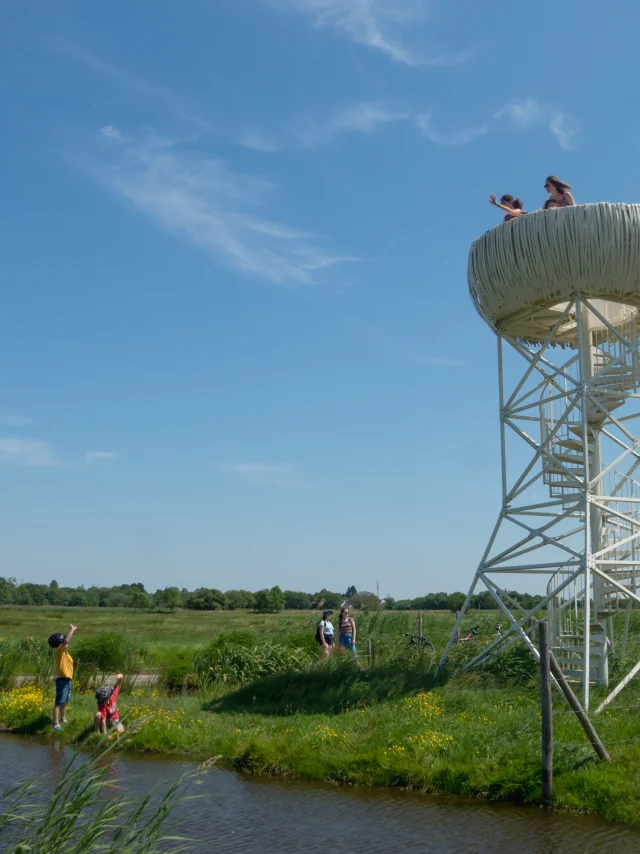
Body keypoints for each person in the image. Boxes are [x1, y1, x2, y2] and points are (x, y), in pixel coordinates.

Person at [48, 624, 76, 732]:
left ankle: (63, 719)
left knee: (64, 701)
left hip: (67, 681)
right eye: (63, 641)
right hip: (62, 681)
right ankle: (55, 723)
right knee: (58, 703)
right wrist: (72, 630)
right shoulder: (59, 651)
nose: (65, 642)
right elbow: (67, 641)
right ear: (59, 644)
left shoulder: (64, 653)